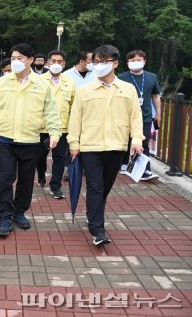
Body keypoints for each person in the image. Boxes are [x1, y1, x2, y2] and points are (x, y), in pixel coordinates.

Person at [68, 45, 144, 246]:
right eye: (97, 62)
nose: (100, 66)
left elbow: (135, 116)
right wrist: (73, 143)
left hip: (116, 146)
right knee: (95, 187)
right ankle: (98, 230)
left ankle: (93, 215)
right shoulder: (85, 91)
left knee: (105, 188)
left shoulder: (128, 90)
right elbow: (75, 118)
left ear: (115, 63)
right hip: (90, 147)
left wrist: (137, 140)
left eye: (105, 61)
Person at [0, 43, 61, 237]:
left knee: (26, 180)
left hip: (30, 140)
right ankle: (4, 217)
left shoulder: (42, 83)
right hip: (6, 140)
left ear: (30, 60)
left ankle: (19, 212)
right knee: (5, 179)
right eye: (13, 58)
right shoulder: (2, 82)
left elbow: (51, 111)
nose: (15, 62)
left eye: (19, 58)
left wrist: (54, 133)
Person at [35, 50, 76, 198]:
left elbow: (73, 106)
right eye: (53, 61)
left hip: (62, 128)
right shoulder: (39, 81)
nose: (56, 64)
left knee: (59, 159)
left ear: (64, 64)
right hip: (42, 128)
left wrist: (73, 128)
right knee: (39, 156)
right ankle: (40, 175)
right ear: (47, 63)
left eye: (60, 62)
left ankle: (55, 186)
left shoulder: (70, 82)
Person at [118, 50, 161, 181]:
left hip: (146, 117)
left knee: (144, 143)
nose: (135, 63)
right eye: (132, 60)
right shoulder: (121, 77)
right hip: (124, 116)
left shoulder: (152, 77)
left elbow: (155, 96)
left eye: (139, 60)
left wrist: (158, 114)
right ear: (127, 62)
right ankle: (124, 165)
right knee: (125, 142)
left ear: (144, 61)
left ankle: (144, 170)